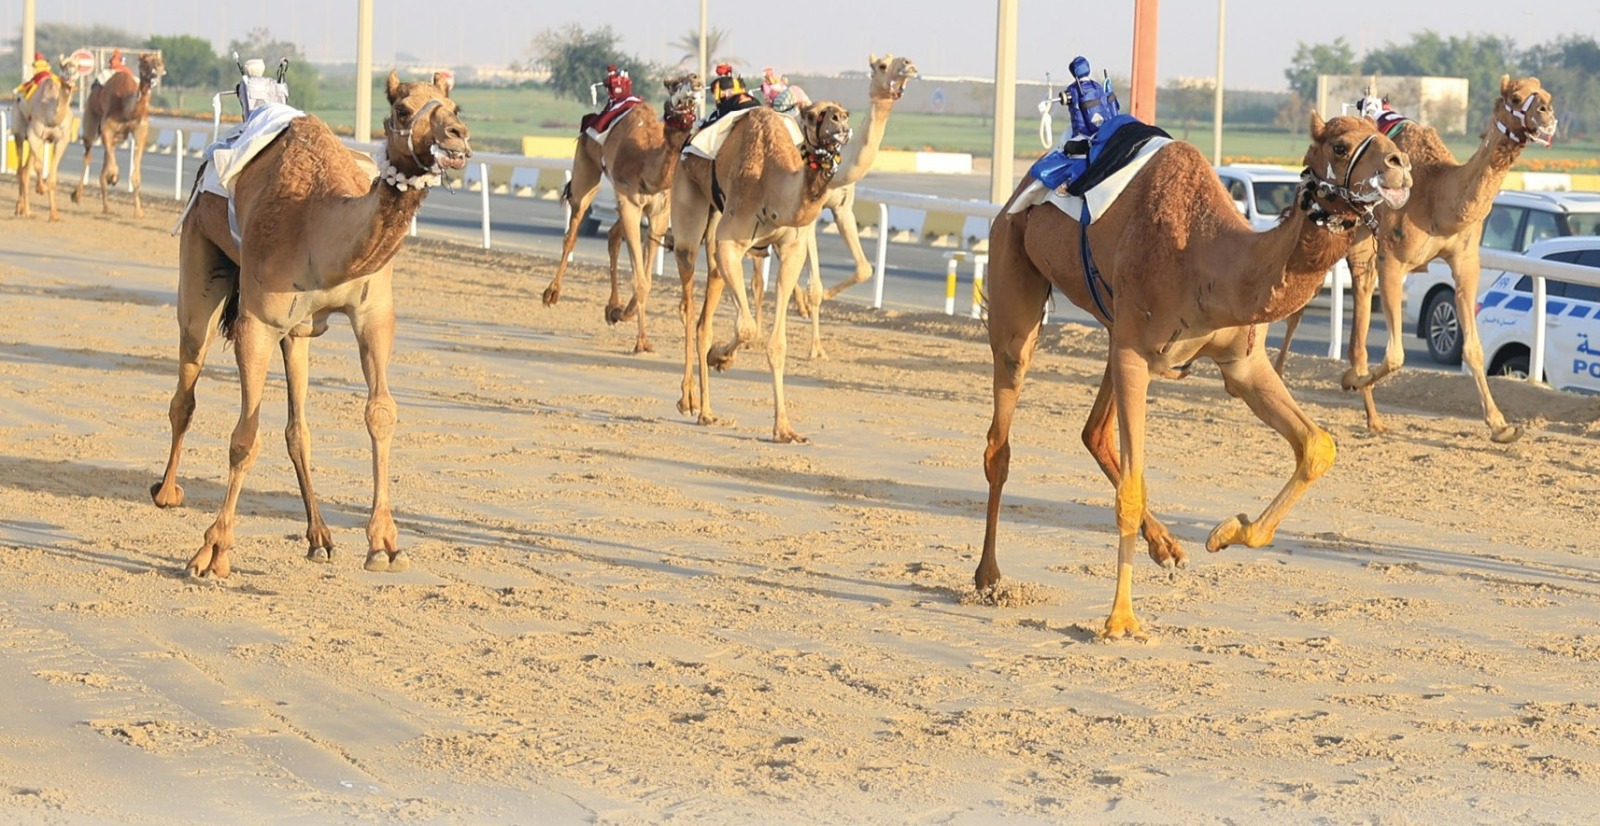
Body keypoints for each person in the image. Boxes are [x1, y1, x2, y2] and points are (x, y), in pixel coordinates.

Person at [1059, 55, 1120, 156]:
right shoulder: (1097, 86)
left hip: (1083, 135)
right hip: (1105, 131)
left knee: (1066, 147)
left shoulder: (1073, 89)